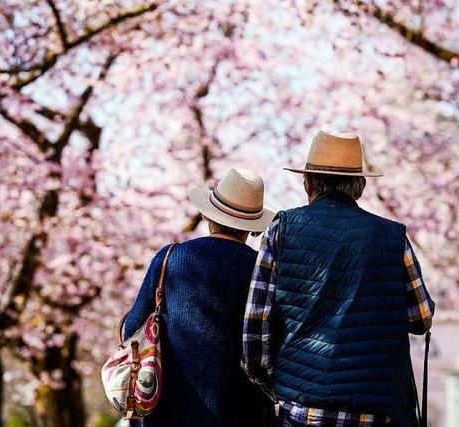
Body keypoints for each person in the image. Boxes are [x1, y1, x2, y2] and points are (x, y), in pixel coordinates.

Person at [242, 131, 435, 427]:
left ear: (308, 183)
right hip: (373, 410)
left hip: (300, 409)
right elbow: (421, 317)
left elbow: (256, 321)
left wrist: (271, 383)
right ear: (360, 186)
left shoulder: (281, 229)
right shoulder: (392, 236)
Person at [124, 167, 276, 427]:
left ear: (209, 216)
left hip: (168, 413)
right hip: (240, 412)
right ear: (251, 228)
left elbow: (132, 330)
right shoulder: (262, 269)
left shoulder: (170, 258)